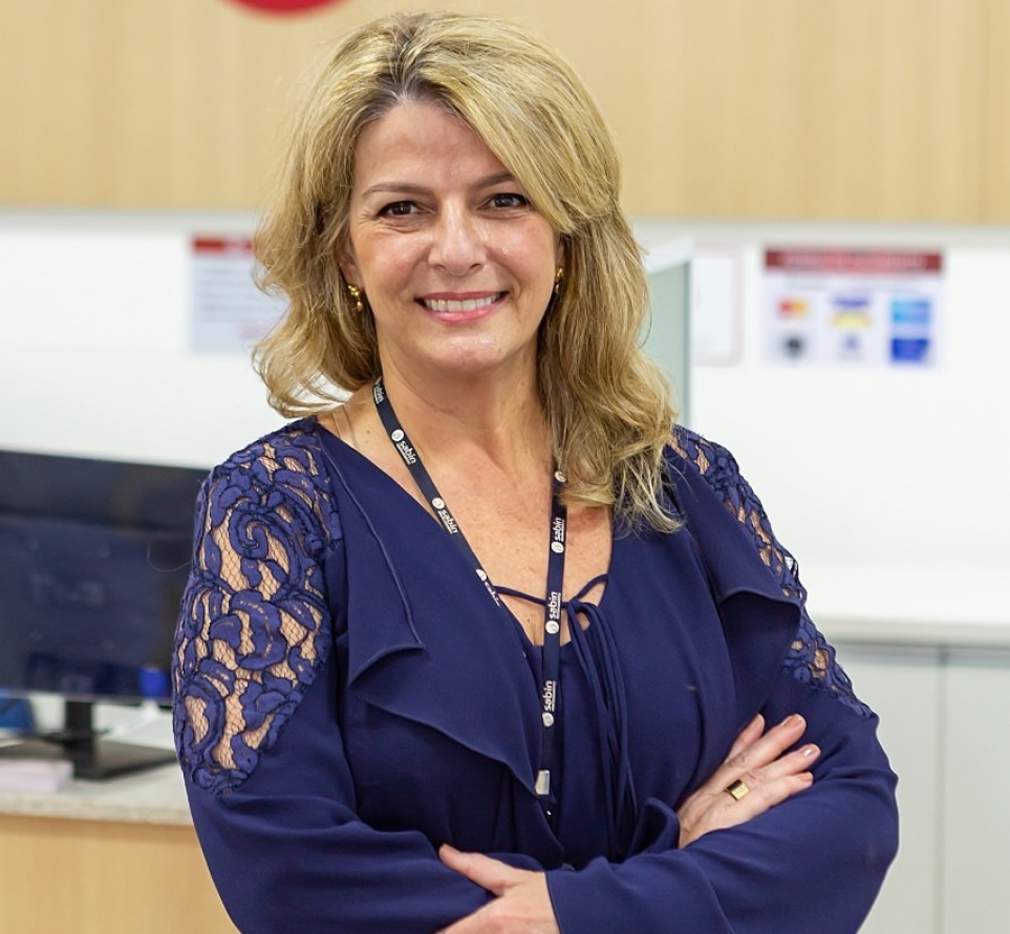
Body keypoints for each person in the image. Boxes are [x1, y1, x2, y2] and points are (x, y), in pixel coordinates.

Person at [171, 11, 898, 933]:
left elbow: (849, 812)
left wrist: (579, 911)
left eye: (504, 199)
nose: (456, 248)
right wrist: (668, 876)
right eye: (402, 209)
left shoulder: (685, 487)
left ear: (566, 236)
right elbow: (285, 874)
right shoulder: (275, 514)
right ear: (344, 252)